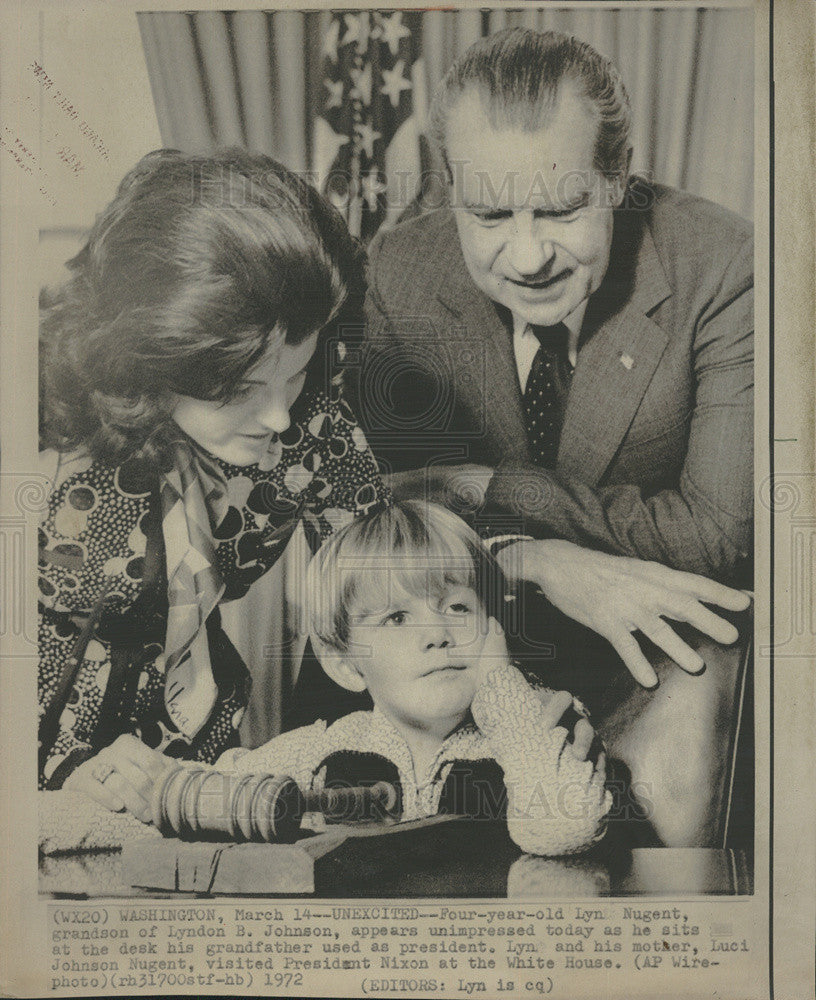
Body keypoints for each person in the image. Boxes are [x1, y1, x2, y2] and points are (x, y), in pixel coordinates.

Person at [355, 27, 753, 687]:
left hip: (653, 681)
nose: (529, 256)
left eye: (562, 211)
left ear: (619, 173)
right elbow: (365, 519)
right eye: (489, 216)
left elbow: (718, 538)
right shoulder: (399, 272)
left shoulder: (723, 264)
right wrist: (536, 559)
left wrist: (496, 486)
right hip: (437, 676)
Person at [37, 148, 389, 816]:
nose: (280, 415)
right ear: (156, 362)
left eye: (296, 373)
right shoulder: (53, 455)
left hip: (196, 765)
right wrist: (54, 783)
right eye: (241, 389)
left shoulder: (314, 436)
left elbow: (386, 585)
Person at [193, 501, 611, 857]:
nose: (437, 635)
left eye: (458, 608)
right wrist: (146, 790)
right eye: (396, 617)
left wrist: (503, 692)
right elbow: (211, 795)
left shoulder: (540, 724)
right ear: (346, 665)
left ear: (493, 626)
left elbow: (562, 827)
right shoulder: (322, 751)